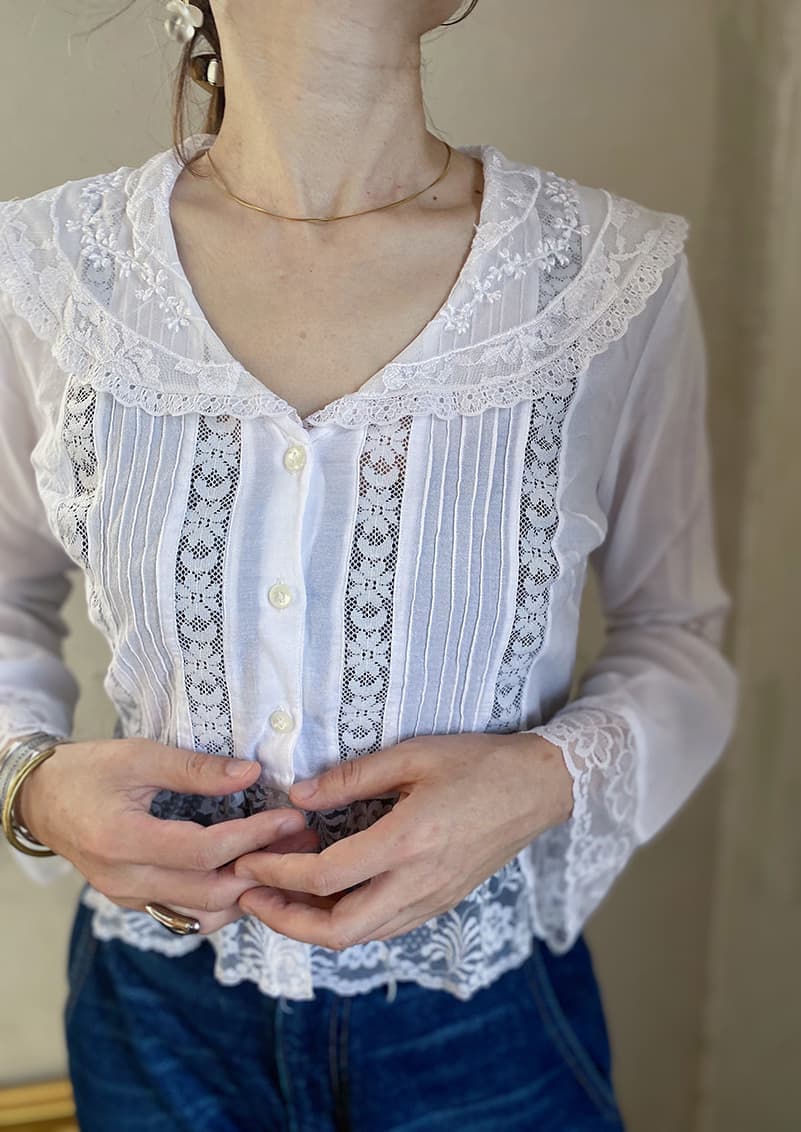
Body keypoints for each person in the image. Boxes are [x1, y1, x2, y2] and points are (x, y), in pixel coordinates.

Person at [0, 1, 739, 1128]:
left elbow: (679, 635)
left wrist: (541, 778)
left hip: (483, 1023)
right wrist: (32, 784)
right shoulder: (47, 273)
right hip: (158, 1014)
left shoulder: (605, 276)